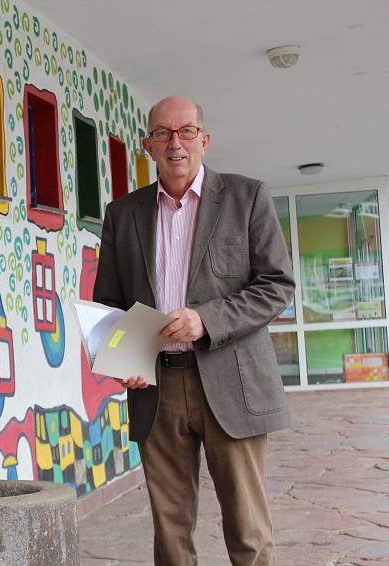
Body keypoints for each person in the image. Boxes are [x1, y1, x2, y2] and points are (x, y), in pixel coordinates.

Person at [93, 96, 294, 565]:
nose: (175, 143)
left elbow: (277, 285)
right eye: (163, 133)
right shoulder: (123, 214)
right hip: (156, 387)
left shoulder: (247, 197)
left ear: (204, 140)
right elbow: (109, 303)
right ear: (148, 145)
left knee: (248, 529)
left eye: (186, 132)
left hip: (231, 380)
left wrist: (207, 320)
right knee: (171, 534)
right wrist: (124, 359)